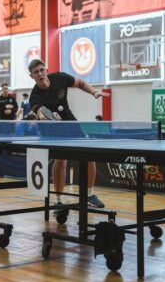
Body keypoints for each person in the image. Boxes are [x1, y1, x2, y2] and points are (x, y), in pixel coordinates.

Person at [28, 59, 109, 209]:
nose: (40, 73)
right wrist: (51, 119)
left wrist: (94, 92)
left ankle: (89, 195)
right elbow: (40, 114)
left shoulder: (60, 78)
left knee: (89, 156)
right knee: (61, 161)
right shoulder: (34, 96)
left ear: (46, 70)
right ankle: (59, 200)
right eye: (36, 72)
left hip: (70, 123)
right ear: (31, 76)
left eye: (41, 70)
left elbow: (80, 83)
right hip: (51, 130)